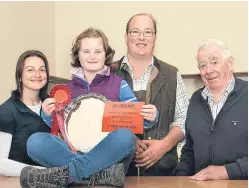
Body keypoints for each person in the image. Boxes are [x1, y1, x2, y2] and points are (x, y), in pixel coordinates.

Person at [20, 28, 159, 188]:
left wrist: (150, 117)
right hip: (74, 152)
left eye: (97, 51)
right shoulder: (66, 89)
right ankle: (100, 175)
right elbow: (55, 125)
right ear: (77, 55)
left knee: (126, 137)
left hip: (109, 155)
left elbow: (137, 119)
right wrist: (46, 114)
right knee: (35, 142)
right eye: (86, 51)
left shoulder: (118, 84)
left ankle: (66, 175)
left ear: (105, 54)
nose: (92, 56)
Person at [111, 13, 189, 176]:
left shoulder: (172, 74)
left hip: (164, 174)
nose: (141, 38)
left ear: (155, 38)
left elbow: (183, 120)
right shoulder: (108, 73)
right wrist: (129, 141)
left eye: (147, 32)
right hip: (117, 174)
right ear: (126, 37)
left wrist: (163, 145)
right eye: (135, 32)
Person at [175, 39, 248, 180]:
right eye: (203, 65)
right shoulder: (196, 100)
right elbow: (188, 153)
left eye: (214, 62)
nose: (208, 70)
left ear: (230, 63)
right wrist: (179, 180)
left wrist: (226, 171)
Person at [0, 50, 51, 176]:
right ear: (20, 76)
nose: (37, 74)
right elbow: (1, 163)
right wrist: (44, 173)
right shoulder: (6, 111)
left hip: (57, 176)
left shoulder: (52, 104)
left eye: (42, 69)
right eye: (30, 70)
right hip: (21, 179)